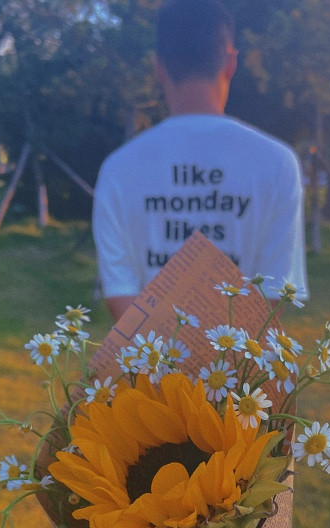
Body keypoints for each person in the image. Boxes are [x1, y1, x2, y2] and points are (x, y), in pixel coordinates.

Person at [93, 0, 309, 321]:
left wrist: (166, 352)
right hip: (241, 354)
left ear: (158, 67)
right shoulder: (278, 163)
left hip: (148, 353)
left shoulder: (118, 169)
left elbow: (120, 294)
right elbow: (274, 294)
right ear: (231, 62)